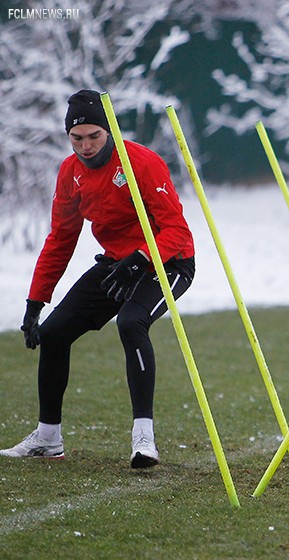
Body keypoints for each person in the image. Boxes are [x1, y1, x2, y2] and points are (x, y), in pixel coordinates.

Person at [0, 89, 195, 469]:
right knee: (54, 334)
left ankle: (143, 440)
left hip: (168, 261)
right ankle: (48, 437)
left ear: (109, 131)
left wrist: (141, 259)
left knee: (132, 322)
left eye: (94, 136)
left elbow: (177, 230)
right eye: (77, 138)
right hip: (114, 263)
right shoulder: (69, 173)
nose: (85, 146)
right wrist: (34, 303)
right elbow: (60, 239)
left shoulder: (142, 163)